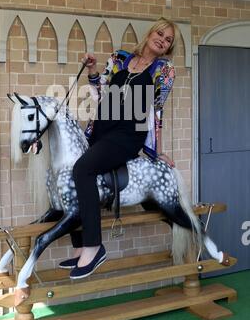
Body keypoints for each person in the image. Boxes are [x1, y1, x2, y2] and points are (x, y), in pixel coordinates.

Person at [61, 17, 180, 280]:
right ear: (150, 32)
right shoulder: (119, 59)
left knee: (83, 168)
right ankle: (81, 246)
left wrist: (155, 149)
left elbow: (157, 110)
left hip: (128, 134)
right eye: (160, 33)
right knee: (73, 173)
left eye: (168, 39)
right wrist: (92, 70)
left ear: (168, 47)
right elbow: (100, 90)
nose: (162, 39)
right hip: (103, 127)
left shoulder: (164, 70)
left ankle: (94, 246)